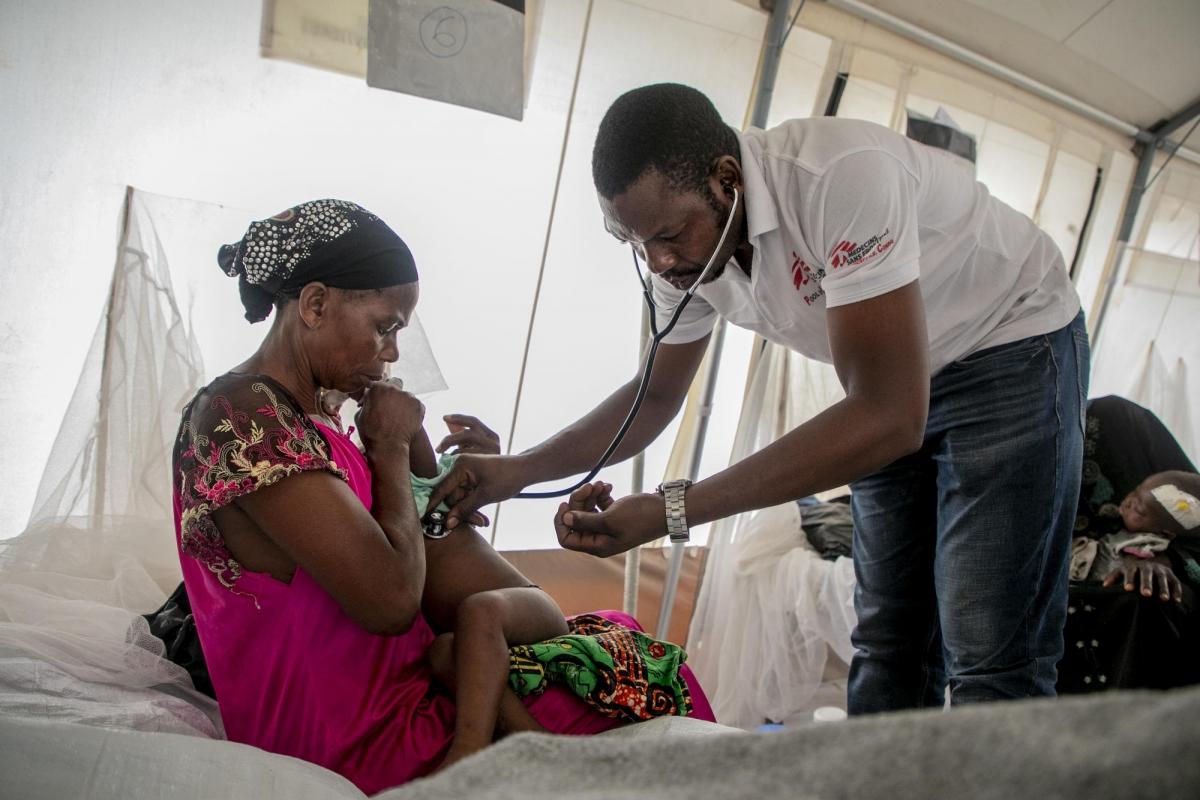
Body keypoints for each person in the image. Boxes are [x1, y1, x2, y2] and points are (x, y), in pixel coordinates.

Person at [427, 83, 1090, 714]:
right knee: (888, 638)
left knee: (990, 650)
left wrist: (671, 511)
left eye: (667, 235)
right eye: (632, 242)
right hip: (893, 381)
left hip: (1009, 347)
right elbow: (654, 395)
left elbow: (889, 416)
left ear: (727, 179)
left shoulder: (839, 178)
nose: (657, 263)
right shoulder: (683, 253)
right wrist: (516, 471)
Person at [172, 199, 711, 794]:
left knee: (627, 656)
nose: (394, 352)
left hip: (408, 691)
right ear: (316, 304)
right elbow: (390, 598)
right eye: (385, 326)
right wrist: (391, 446)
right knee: (641, 706)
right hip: (365, 733)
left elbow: (410, 540)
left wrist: (444, 476)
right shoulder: (240, 415)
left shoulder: (314, 419)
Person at [1059, 396, 1200, 692]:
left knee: (1152, 598)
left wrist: (1164, 557)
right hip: (1054, 641)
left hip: (1149, 636)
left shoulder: (1120, 421)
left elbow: (1193, 516)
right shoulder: (987, 444)